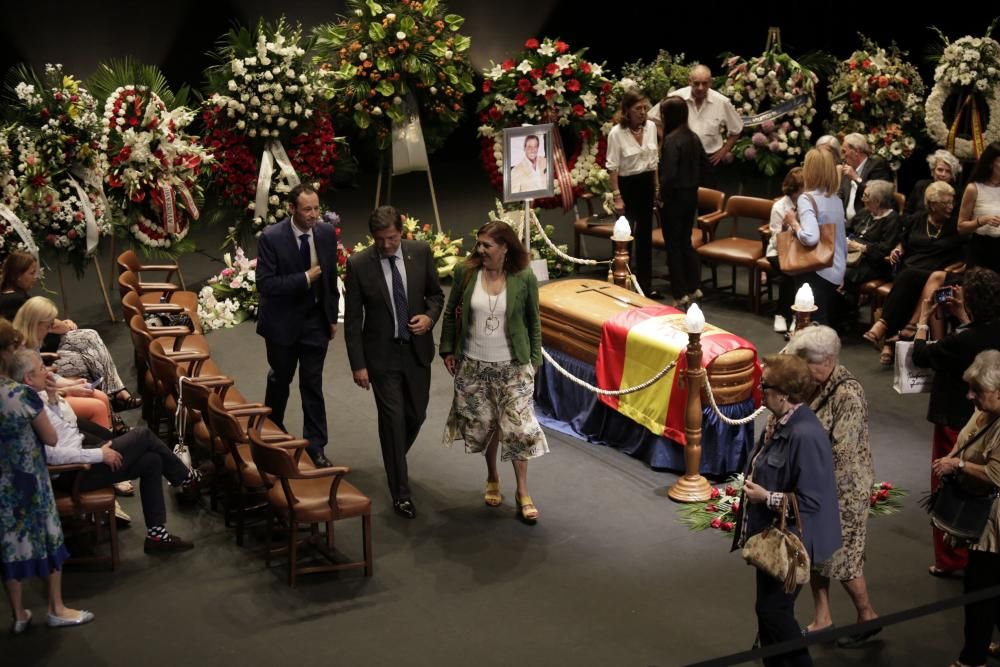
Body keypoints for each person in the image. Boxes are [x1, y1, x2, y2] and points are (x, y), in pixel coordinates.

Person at [11, 348, 199, 552]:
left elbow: (63, 431)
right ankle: (188, 478)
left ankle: (156, 536)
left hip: (82, 454)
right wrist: (99, 454)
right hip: (74, 471)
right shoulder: (27, 409)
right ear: (29, 378)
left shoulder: (35, 397)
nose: (48, 372)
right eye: (41, 369)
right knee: (143, 436)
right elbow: (53, 455)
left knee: (152, 461)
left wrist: (53, 397)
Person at [733, 354, 841, 666]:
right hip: (773, 538)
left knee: (773, 611)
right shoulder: (781, 422)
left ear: (783, 393)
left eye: (764, 385)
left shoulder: (804, 434)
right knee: (768, 612)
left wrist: (766, 498)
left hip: (794, 543)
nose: (759, 389)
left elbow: (810, 502)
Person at [440, 221, 548, 524]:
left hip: (513, 367)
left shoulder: (523, 276)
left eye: (487, 245)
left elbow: (533, 320)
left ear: (505, 247)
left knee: (519, 429)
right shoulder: (466, 272)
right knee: (486, 426)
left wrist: (535, 359)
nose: (480, 250)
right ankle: (492, 477)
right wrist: (448, 349)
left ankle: (523, 492)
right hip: (473, 365)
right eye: (479, 243)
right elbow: (450, 314)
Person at [344, 206, 444, 519]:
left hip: (416, 353)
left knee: (416, 414)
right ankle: (400, 492)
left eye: (391, 238)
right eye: (380, 240)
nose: (387, 245)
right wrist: (358, 364)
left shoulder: (420, 252)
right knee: (392, 422)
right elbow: (352, 320)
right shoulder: (359, 264)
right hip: (381, 358)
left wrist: (429, 318)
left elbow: (436, 295)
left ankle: (394, 457)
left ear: (401, 232)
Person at [785, 327, 880, 648]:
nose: (801, 370)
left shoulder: (847, 396)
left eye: (805, 363)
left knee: (844, 558)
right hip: (817, 486)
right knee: (817, 554)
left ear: (825, 361)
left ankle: (867, 616)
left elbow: (841, 453)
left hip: (843, 491)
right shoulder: (816, 385)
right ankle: (822, 618)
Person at [1, 330, 94, 633]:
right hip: (30, 478)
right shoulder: (20, 395)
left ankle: (18, 614)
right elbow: (51, 437)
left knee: (10, 546)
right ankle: (56, 608)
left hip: (3, 486)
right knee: (48, 538)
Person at [913, 267, 1000, 578]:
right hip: (994, 423)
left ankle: (950, 558)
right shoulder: (985, 332)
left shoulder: (960, 342)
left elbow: (921, 355)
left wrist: (923, 319)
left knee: (949, 484)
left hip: (956, 421)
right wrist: (965, 318)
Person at [256, 184, 340, 469]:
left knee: (312, 383)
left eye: (316, 208)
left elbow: (330, 277)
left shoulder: (326, 233)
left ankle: (316, 446)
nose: (314, 215)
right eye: (307, 209)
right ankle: (271, 431)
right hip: (282, 323)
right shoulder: (271, 238)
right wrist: (304, 278)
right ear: (292, 209)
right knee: (281, 379)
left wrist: (331, 317)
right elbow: (266, 285)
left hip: (315, 321)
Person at [2, 251, 141, 412]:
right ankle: (113, 399)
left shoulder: (15, 296)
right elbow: (53, 326)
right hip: (43, 354)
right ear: (16, 275)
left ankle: (115, 394)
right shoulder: (14, 300)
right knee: (85, 361)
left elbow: (51, 324)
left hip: (46, 346)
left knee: (89, 335)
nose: (36, 277)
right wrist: (64, 324)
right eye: (32, 273)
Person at [932, 350, 1000, 667]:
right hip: (985, 519)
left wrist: (957, 463)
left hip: (993, 525)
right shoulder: (986, 411)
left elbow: (996, 474)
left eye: (978, 390)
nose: (969, 395)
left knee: (978, 591)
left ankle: (972, 658)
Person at [863, 181, 966, 365]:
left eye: (952, 202)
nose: (951, 207)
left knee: (908, 276)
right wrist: (897, 250)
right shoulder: (917, 219)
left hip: (936, 271)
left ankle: (886, 329)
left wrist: (951, 269)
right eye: (946, 203)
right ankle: (898, 334)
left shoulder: (955, 225)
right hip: (911, 268)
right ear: (933, 205)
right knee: (908, 277)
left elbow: (964, 255)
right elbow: (903, 242)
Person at [782, 148, 847, 325]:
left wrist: (793, 222)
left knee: (810, 322)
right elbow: (841, 240)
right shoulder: (836, 199)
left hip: (815, 269)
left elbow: (810, 237)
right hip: (835, 268)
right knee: (822, 323)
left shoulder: (806, 199)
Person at [650, 64, 743, 188]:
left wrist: (723, 151)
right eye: (696, 83)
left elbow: (736, 129)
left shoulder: (722, 102)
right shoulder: (676, 98)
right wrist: (667, 138)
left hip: (709, 160)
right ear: (689, 81)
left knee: (708, 201)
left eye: (704, 83)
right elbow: (652, 118)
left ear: (711, 82)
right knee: (681, 199)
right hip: (681, 159)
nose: (700, 88)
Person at [607, 90, 660, 297]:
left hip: (646, 183)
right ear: (626, 111)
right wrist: (617, 196)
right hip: (627, 186)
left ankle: (645, 287)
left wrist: (656, 188)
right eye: (638, 109)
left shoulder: (652, 127)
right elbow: (613, 168)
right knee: (623, 236)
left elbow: (654, 161)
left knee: (645, 237)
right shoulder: (616, 133)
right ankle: (619, 283)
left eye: (645, 108)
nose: (643, 112)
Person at [658, 95, 709, 307]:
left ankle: (679, 294)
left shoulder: (671, 140)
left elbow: (668, 175)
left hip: (674, 198)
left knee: (673, 245)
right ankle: (693, 286)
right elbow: (705, 165)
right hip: (691, 196)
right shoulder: (693, 137)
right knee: (686, 241)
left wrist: (660, 194)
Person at [843, 179, 901, 295]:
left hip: (874, 263)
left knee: (845, 274)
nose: (863, 200)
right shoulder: (865, 212)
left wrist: (860, 247)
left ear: (877, 201)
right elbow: (846, 228)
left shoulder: (892, 219)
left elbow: (884, 249)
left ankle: (848, 309)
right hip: (851, 256)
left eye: (866, 197)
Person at [766, 167, 804, 333]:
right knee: (790, 272)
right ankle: (784, 314)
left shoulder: (808, 205)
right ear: (795, 190)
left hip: (802, 250)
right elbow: (775, 241)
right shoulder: (779, 207)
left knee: (803, 271)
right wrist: (787, 227)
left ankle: (796, 315)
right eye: (805, 187)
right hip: (779, 252)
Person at [957, 141, 1000, 274]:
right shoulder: (973, 188)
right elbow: (961, 227)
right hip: (981, 249)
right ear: (991, 163)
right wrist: (982, 220)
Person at [838, 133, 893, 228]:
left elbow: (877, 198)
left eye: (844, 151)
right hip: (845, 224)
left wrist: (856, 178)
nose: (842, 157)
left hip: (866, 225)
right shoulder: (849, 169)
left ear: (856, 151)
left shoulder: (877, 166)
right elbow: (840, 196)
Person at [904, 149, 961, 223]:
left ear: (952, 176)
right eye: (940, 170)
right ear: (933, 171)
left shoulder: (957, 193)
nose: (943, 174)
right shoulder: (920, 185)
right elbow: (907, 213)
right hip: (915, 228)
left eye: (948, 171)